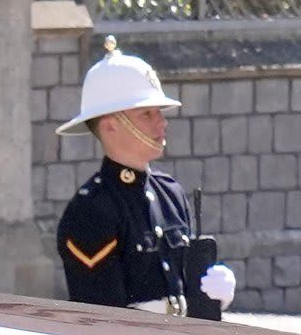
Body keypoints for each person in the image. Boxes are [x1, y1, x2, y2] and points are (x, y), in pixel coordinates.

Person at [56, 36, 237, 316]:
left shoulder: (170, 193)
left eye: (159, 112)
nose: (161, 122)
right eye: (146, 114)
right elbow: (102, 317)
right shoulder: (91, 210)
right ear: (111, 126)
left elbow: (180, 284)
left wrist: (210, 294)